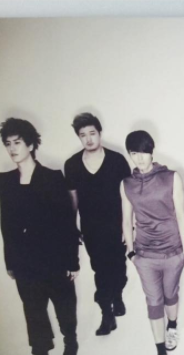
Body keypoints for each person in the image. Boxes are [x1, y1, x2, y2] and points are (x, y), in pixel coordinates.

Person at [0, 118, 80, 355]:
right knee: (34, 317)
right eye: (7, 144)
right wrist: (10, 262)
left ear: (31, 144)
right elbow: (6, 226)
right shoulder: (4, 182)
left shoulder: (52, 177)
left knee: (65, 307)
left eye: (17, 142)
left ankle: (70, 340)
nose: (12, 148)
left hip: (54, 260)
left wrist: (72, 262)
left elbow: (66, 222)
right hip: (25, 264)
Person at [121, 130, 184, 355]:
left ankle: (173, 326)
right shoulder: (126, 184)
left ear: (151, 151)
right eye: (134, 153)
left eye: (143, 152)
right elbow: (126, 220)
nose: (139, 158)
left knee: (170, 294)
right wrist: (131, 253)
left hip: (172, 250)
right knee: (154, 300)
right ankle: (161, 354)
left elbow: (180, 214)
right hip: (145, 253)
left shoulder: (171, 177)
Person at [65, 113, 130, 336]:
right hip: (91, 229)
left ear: (100, 133)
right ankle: (106, 314)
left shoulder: (117, 160)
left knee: (119, 268)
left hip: (117, 226)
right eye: (83, 135)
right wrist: (73, 228)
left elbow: (128, 196)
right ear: (79, 137)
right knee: (100, 270)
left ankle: (117, 295)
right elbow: (72, 200)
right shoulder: (72, 165)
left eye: (92, 133)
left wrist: (129, 227)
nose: (88, 139)